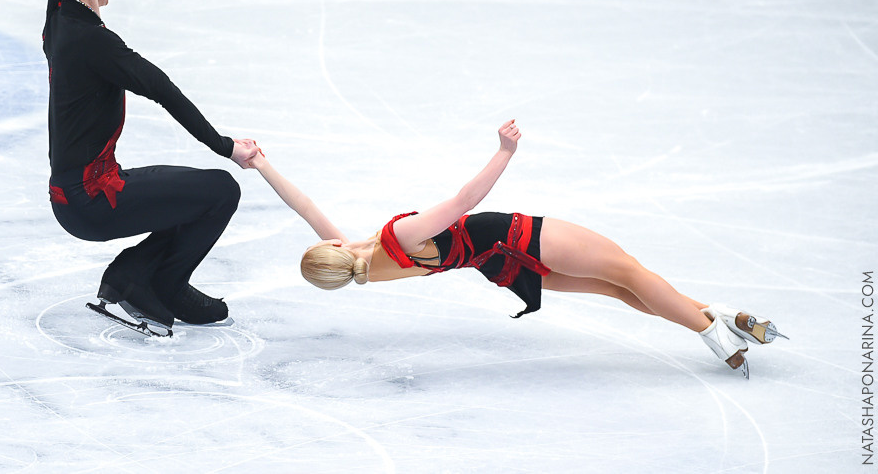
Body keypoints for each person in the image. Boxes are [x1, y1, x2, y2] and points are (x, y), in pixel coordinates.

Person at [248, 120, 785, 377]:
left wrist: (263, 164)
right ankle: (713, 332)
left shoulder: (372, 268)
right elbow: (465, 199)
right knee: (630, 270)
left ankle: (721, 316)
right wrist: (503, 151)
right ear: (333, 250)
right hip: (522, 238)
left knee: (620, 289)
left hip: (505, 266)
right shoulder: (396, 239)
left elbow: (306, 209)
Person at [43, 0, 258, 337]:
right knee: (220, 190)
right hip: (94, 202)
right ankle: (150, 282)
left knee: (194, 191)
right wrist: (225, 146)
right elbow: (160, 87)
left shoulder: (60, 13)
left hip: (76, 193)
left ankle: (137, 277)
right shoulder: (95, 44)